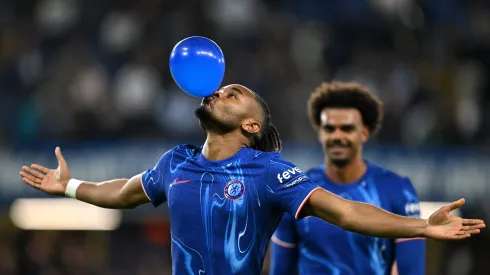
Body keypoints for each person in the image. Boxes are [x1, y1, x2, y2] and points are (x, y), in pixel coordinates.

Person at [20, 84, 485, 275]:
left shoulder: (268, 173)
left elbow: (346, 211)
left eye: (235, 93)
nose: (221, 89)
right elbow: (121, 193)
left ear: (251, 127)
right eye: (223, 89)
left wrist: (422, 226)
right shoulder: (175, 162)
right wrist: (68, 186)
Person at [269, 82, 427, 275]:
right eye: (329, 128)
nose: (337, 136)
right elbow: (280, 270)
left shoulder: (397, 190)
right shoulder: (297, 191)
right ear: (320, 133)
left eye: (347, 128)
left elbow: (412, 270)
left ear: (364, 133)